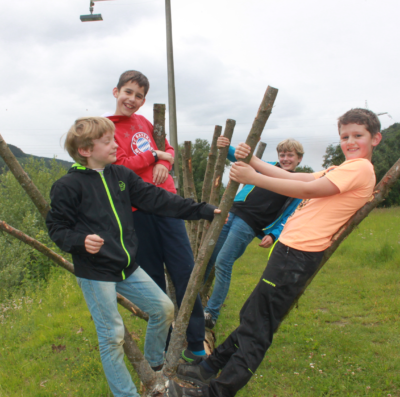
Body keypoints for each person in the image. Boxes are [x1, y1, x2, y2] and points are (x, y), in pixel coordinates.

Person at [167, 108, 382, 397]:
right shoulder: (342, 168)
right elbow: (298, 179)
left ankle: (213, 392)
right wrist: (252, 160)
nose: (350, 142)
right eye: (345, 136)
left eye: (358, 135)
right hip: (292, 253)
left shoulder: (360, 168)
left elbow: (313, 189)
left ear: (376, 139)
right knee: (253, 315)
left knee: (258, 328)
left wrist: (254, 178)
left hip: (298, 256)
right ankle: (207, 368)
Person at [46, 117, 220, 397]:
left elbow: (160, 199)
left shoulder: (121, 176)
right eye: (108, 142)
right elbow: (56, 227)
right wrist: (79, 240)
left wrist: (202, 210)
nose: (116, 144)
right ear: (86, 151)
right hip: (94, 271)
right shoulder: (68, 186)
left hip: (126, 266)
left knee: (163, 309)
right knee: (112, 335)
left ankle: (154, 364)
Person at [106, 70, 208, 362]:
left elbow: (168, 148)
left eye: (138, 96)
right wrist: (154, 157)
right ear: (116, 92)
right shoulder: (108, 127)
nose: (132, 99)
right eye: (128, 92)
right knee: (152, 278)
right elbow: (121, 165)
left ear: (144, 100)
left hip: (167, 203)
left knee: (184, 270)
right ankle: (161, 347)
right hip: (137, 210)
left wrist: (166, 159)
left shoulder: (145, 122)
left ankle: (196, 341)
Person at [203, 137, 304, 330]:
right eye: (282, 154)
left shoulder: (298, 182)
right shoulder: (269, 167)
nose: (285, 158)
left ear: (299, 159)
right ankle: (194, 297)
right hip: (231, 211)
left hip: (250, 222)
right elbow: (244, 158)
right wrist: (225, 145)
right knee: (210, 255)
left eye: (290, 155)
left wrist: (274, 234)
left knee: (224, 262)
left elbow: (289, 215)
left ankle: (211, 313)